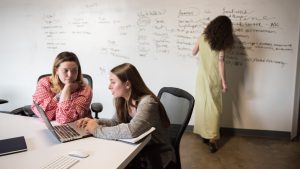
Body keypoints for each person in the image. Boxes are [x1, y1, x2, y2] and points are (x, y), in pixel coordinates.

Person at [76, 63, 175, 169]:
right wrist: (95, 122)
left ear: (127, 84)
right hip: (139, 151)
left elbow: (132, 130)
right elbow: (115, 122)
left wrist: (96, 130)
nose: (109, 86)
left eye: (113, 82)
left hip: (155, 157)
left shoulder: (147, 103)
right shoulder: (123, 100)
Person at [192, 15, 234, 153]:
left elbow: (193, 52)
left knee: (203, 106)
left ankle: (205, 134)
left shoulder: (202, 36)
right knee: (215, 108)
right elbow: (220, 62)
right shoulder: (220, 43)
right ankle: (212, 139)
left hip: (201, 78)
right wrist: (224, 81)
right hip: (213, 78)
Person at [31, 51, 93, 124]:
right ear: (56, 70)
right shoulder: (44, 83)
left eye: (74, 71)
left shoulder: (85, 89)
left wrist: (67, 88)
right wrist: (60, 95)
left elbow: (65, 119)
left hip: (75, 129)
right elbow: (44, 115)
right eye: (65, 70)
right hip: (50, 127)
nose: (70, 75)